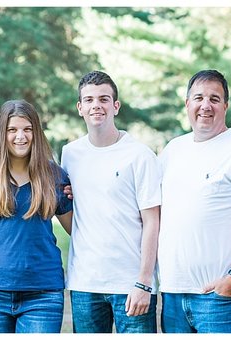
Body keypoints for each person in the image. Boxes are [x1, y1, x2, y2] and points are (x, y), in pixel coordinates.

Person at [157, 69, 231, 333]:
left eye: (214, 98)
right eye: (198, 98)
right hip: (173, 294)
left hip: (219, 298)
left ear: (225, 106)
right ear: (187, 104)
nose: (205, 105)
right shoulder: (172, 150)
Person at [60, 71, 161, 333]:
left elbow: (153, 222)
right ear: (80, 108)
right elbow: (76, 216)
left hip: (130, 284)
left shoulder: (140, 155)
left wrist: (143, 282)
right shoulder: (70, 154)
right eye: (90, 100)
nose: (97, 106)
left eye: (104, 99)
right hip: (85, 283)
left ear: (115, 106)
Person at [0, 99, 72, 333]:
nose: (20, 137)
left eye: (27, 129)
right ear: (2, 133)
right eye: (12, 130)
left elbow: (77, 229)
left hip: (43, 292)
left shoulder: (55, 176)